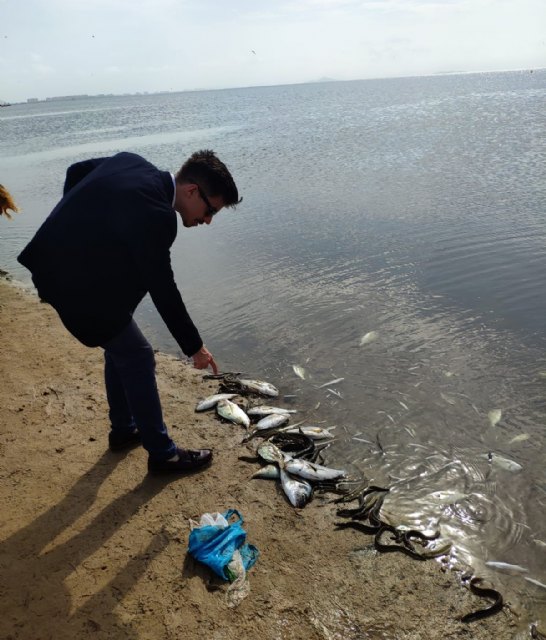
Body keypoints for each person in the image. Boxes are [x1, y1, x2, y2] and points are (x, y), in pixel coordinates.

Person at [17, 150, 241, 475]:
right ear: (192, 191)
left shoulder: (131, 162)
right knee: (137, 354)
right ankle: (163, 456)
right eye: (210, 211)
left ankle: (124, 429)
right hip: (70, 283)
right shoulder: (158, 215)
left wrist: (77, 230)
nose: (207, 220)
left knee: (120, 341)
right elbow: (163, 288)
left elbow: (76, 171)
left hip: (53, 265)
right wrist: (195, 347)